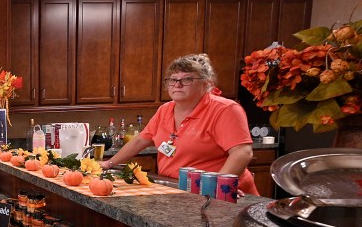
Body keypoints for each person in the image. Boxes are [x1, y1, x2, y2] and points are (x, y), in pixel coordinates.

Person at [101, 53, 259, 196]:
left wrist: (218, 186)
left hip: (219, 195)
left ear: (206, 84)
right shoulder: (165, 110)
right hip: (179, 189)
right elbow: (140, 141)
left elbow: (242, 153)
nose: (177, 85)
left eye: (187, 79)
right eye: (173, 79)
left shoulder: (225, 110)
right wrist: (109, 163)